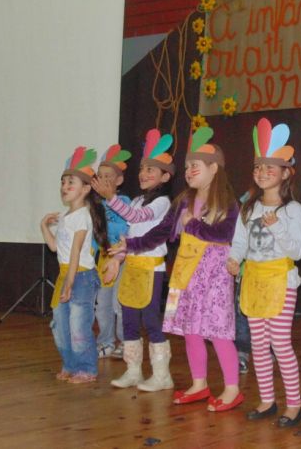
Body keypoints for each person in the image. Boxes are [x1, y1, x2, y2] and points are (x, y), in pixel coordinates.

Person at [115, 127, 243, 412]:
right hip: (184, 275)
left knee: (219, 332)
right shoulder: (183, 201)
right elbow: (160, 232)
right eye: (186, 167)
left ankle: (232, 389)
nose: (188, 171)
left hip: (214, 276)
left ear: (214, 168)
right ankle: (199, 384)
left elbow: (225, 233)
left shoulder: (227, 202)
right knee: (188, 330)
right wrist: (131, 244)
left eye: (194, 165)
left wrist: (193, 225)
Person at [227, 117, 301, 427]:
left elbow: (298, 252)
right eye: (258, 167)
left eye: (269, 168)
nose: (261, 173)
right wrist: (234, 259)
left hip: (281, 282)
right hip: (254, 281)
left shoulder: (293, 210)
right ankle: (267, 400)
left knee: (280, 343)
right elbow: (239, 242)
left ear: (286, 173)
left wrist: (278, 228)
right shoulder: (249, 207)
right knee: (258, 345)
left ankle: (294, 405)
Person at [92, 128, 174, 392]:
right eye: (142, 169)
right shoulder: (137, 200)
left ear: (165, 176)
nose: (144, 174)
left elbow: (138, 218)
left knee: (150, 321)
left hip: (152, 270)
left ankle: (162, 375)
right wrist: (116, 260)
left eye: (151, 170)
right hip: (132, 268)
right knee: (128, 320)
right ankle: (133, 371)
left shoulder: (162, 202)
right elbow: (128, 236)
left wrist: (111, 198)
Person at [41, 146, 107, 383]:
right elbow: (55, 248)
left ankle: (87, 369)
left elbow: (76, 251)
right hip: (66, 274)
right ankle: (70, 365)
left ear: (86, 189)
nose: (65, 186)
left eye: (71, 182)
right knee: (61, 326)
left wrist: (69, 283)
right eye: (63, 182)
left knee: (79, 326)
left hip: (81, 277)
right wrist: (44, 226)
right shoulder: (66, 217)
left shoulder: (83, 216)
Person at [94, 145, 131, 359]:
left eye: (108, 176)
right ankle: (105, 342)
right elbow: (93, 235)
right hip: (103, 259)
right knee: (102, 304)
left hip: (122, 259)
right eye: (100, 176)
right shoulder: (95, 205)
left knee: (120, 302)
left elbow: (125, 228)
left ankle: (125, 341)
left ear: (119, 180)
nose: (103, 180)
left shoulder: (124, 202)